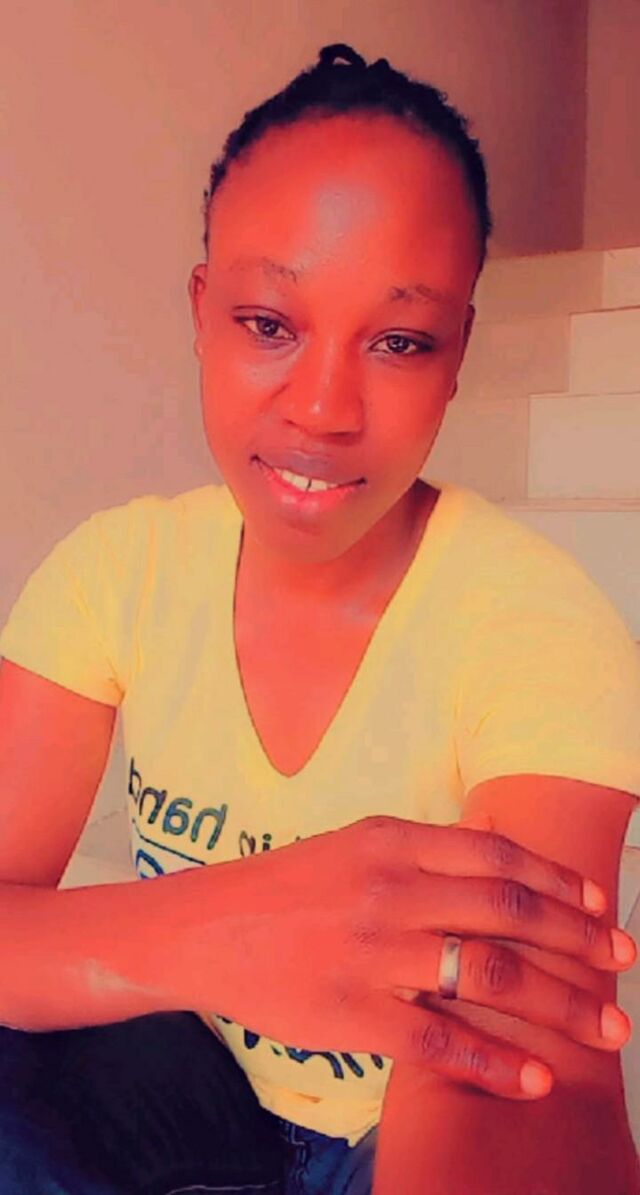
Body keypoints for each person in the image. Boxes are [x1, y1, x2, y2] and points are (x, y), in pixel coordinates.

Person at [1, 40, 639, 1195]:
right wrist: (224, 928)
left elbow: (512, 1068)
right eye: (267, 323)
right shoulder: (118, 570)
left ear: (455, 357)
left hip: (382, 1138)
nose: (324, 409)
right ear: (202, 312)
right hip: (188, 1090)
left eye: (398, 342)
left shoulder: (539, 626)